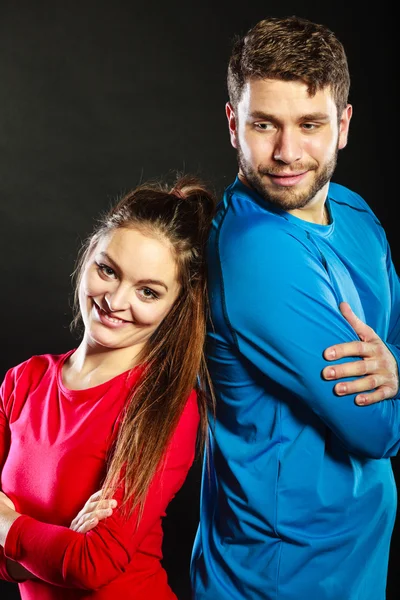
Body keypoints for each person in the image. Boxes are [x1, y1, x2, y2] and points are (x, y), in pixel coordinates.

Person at [190, 15, 400, 600]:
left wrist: (397, 371)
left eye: (310, 124)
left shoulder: (357, 216)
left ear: (344, 125)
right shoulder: (254, 254)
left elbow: (399, 342)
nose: (287, 152)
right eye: (264, 124)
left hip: (355, 559)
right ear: (234, 124)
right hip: (275, 577)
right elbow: (375, 427)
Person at [0, 173, 216, 599]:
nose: (115, 301)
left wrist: (7, 526)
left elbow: (92, 564)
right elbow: (63, 559)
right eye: (107, 270)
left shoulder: (166, 405)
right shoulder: (22, 382)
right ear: (88, 258)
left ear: (175, 304)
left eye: (148, 292)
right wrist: (52, 544)